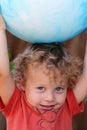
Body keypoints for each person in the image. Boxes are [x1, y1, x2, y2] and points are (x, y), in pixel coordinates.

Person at [0, 15, 87, 130]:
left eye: (59, 89)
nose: (50, 98)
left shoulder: (67, 104)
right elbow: (3, 74)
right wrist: (0, 31)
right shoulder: (16, 103)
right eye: (41, 88)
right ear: (23, 82)